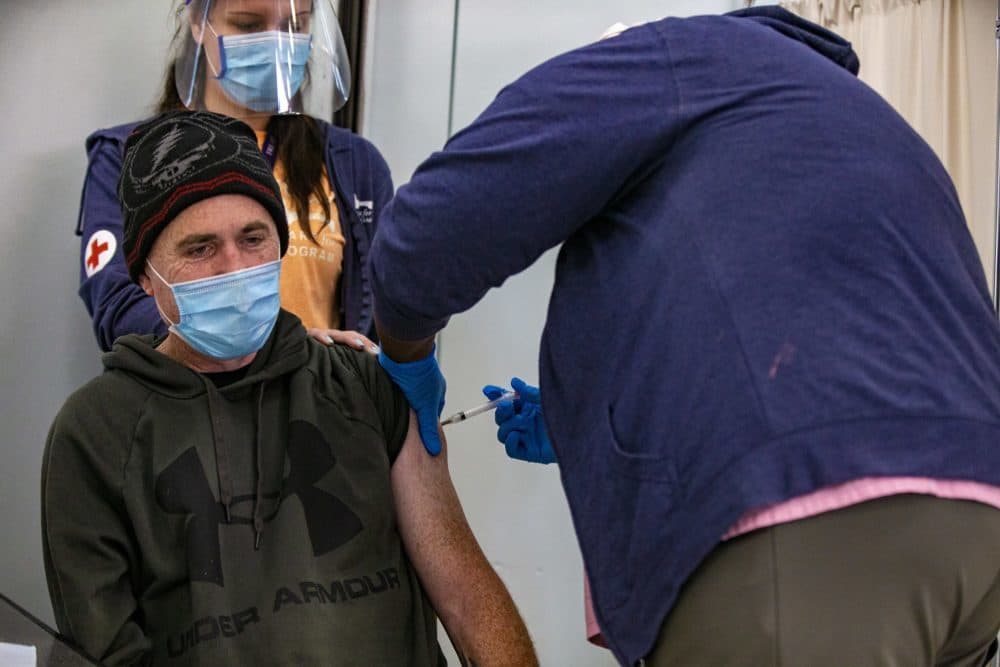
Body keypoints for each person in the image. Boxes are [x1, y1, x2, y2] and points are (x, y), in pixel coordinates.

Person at [368, 7, 1000, 667]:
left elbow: (429, 235)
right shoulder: (853, 117)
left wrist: (406, 351)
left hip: (811, 519)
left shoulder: (661, 60)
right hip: (978, 533)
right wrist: (581, 425)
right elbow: (788, 324)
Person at [43, 110, 537, 667]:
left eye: (253, 238)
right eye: (200, 248)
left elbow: (469, 599)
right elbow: (105, 650)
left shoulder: (361, 384)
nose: (234, 267)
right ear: (143, 277)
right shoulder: (96, 434)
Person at [77, 0, 385, 354]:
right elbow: (116, 306)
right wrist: (269, 350)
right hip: (184, 401)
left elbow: (384, 312)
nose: (275, 44)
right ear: (198, 23)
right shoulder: (125, 157)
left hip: (317, 401)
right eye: (249, 25)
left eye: (294, 26)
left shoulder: (354, 164)